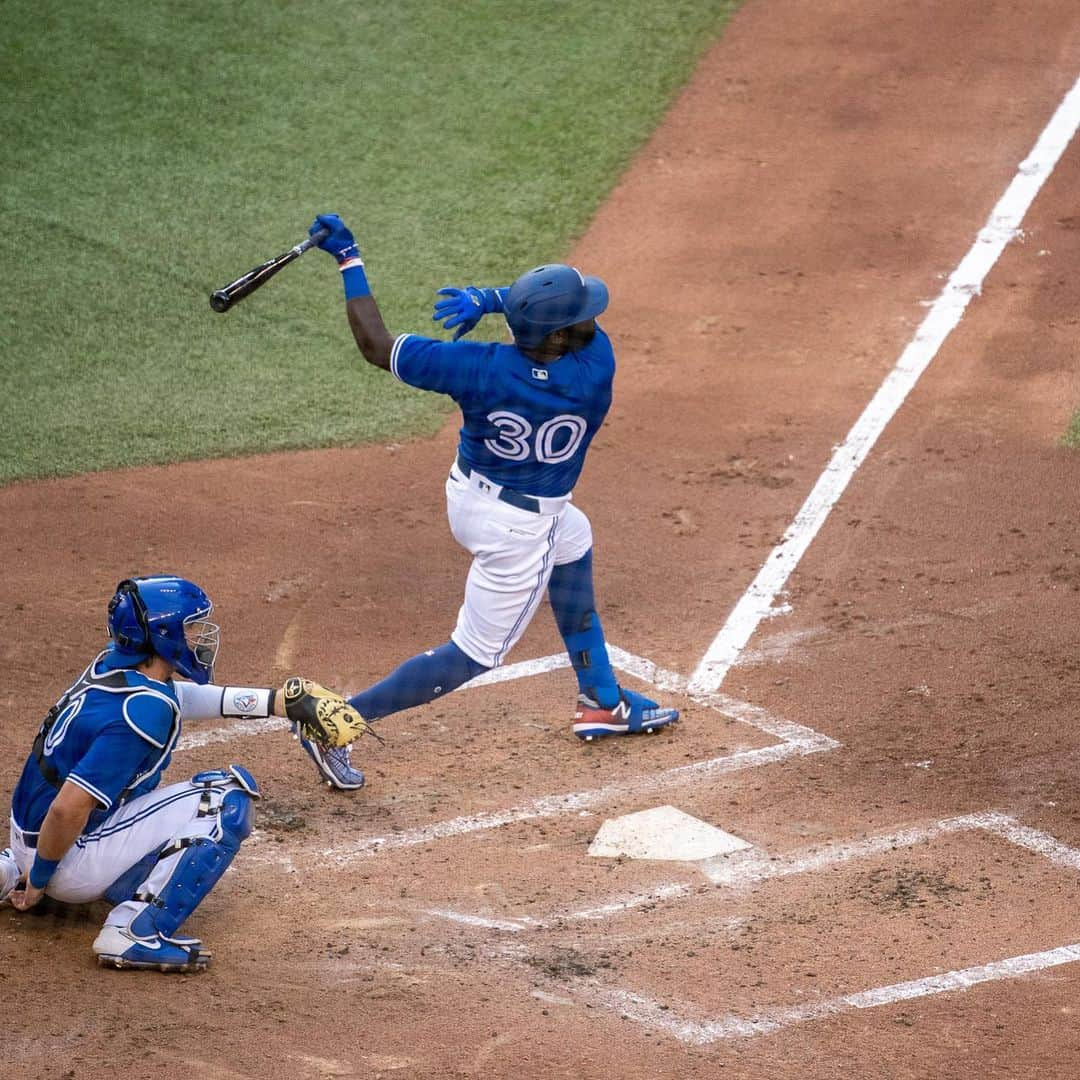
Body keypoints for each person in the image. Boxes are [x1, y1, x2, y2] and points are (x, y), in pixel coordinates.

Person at [292, 212, 679, 791]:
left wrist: (350, 258)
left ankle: (602, 699)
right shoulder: (596, 369)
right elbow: (576, 330)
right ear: (558, 336)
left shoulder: (474, 367)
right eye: (577, 317)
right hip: (520, 531)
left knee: (575, 540)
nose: (589, 320)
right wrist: (496, 300)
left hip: (467, 496)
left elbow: (376, 346)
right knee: (472, 655)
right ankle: (337, 722)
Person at [0, 575, 354, 973]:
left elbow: (172, 697)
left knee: (133, 798)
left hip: (29, 834)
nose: (198, 638)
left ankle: (12, 868)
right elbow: (68, 810)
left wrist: (275, 703)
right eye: (189, 628)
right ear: (162, 635)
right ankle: (132, 931)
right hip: (64, 855)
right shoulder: (141, 713)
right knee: (222, 801)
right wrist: (40, 883)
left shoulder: (115, 666)